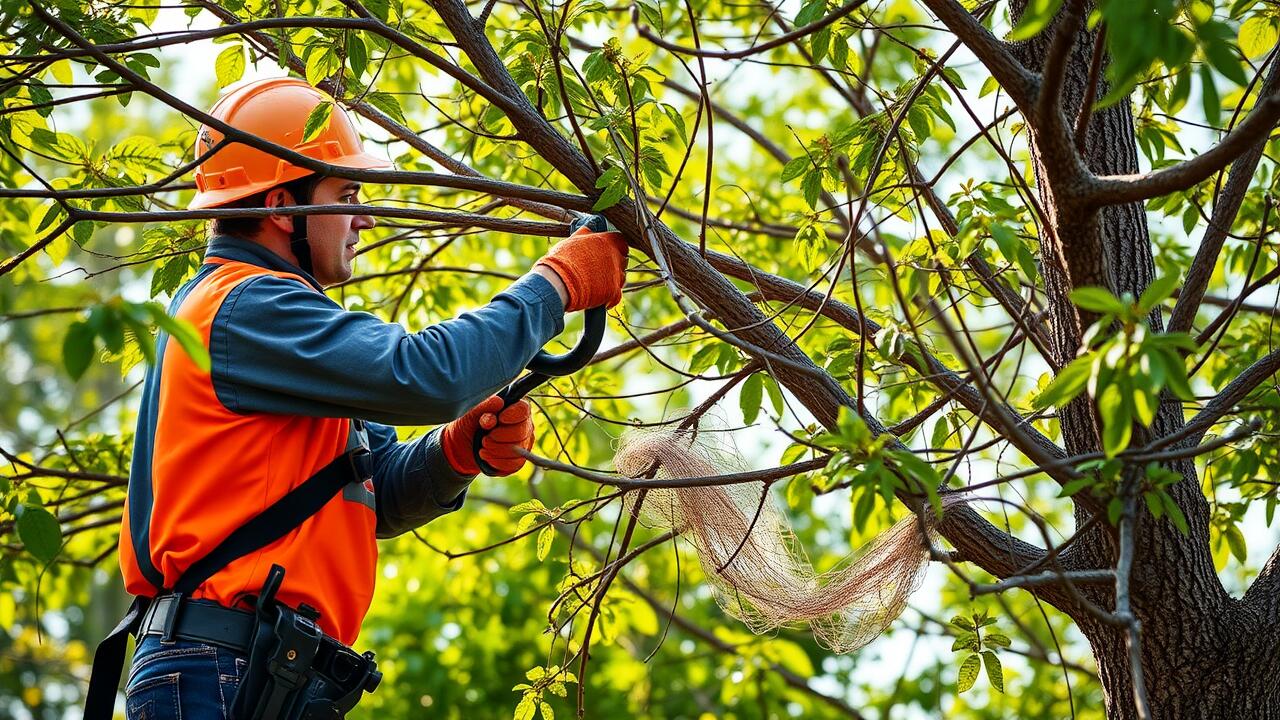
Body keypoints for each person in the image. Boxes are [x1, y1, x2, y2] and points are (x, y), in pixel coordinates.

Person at [88, 77, 628, 720]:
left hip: (252, 668)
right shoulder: (247, 305)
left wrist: (455, 453)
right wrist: (556, 285)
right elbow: (430, 374)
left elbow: (369, 497)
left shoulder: (283, 327)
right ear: (285, 208)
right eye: (346, 195)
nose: (365, 218)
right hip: (225, 665)